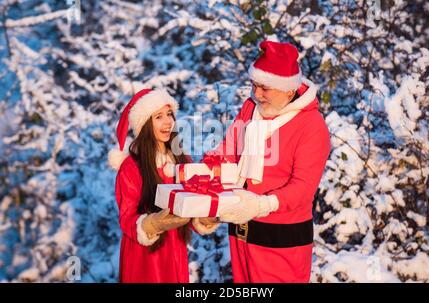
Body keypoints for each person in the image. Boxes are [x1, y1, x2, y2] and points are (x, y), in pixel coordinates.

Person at [214, 40, 331, 282]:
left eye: (265, 88)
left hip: (281, 241)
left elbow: (303, 189)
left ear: (288, 90)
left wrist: (260, 204)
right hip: (241, 233)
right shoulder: (251, 108)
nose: (257, 93)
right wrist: (201, 175)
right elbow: (226, 151)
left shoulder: (311, 126)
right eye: (254, 85)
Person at [108, 88, 218, 283]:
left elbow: (190, 202)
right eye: (158, 116)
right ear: (145, 124)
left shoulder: (181, 159)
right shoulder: (131, 167)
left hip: (175, 249)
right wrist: (152, 223)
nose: (168, 122)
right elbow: (126, 218)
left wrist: (205, 216)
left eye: (169, 114)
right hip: (145, 255)